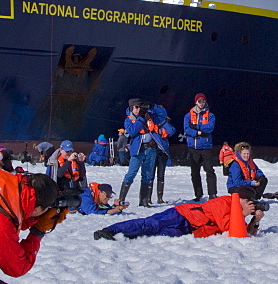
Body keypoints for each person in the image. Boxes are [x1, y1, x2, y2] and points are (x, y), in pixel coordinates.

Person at [94, 185, 264, 240]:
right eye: (248, 201)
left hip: (189, 228)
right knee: (150, 224)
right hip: (181, 215)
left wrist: (254, 221)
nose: (250, 205)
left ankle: (122, 236)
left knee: (155, 234)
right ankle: (110, 231)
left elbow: (239, 233)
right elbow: (227, 226)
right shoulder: (224, 202)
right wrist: (241, 214)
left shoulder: (237, 210)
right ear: (240, 199)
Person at [119, 98, 159, 207]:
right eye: (136, 107)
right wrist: (141, 119)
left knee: (147, 175)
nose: (138, 109)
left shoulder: (149, 116)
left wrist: (152, 106)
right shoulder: (128, 120)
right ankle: (121, 200)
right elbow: (132, 131)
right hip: (138, 150)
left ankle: (144, 201)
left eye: (140, 107)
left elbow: (161, 115)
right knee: (131, 173)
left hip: (150, 149)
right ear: (131, 108)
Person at [184, 93, 218, 201]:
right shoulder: (188, 115)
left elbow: (210, 128)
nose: (202, 103)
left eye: (203, 101)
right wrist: (198, 133)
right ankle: (198, 194)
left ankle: (212, 194)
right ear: (196, 102)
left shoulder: (210, 115)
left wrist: (197, 127)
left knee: (209, 170)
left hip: (206, 146)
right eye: (200, 101)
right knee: (195, 172)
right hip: (193, 147)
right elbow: (186, 129)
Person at [148, 103, 175, 204]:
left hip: (162, 151)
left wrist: (163, 122)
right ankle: (148, 198)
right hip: (153, 150)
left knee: (160, 175)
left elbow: (171, 131)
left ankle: (160, 198)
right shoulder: (150, 120)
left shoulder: (164, 123)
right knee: (150, 175)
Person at [49, 141, 86, 208]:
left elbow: (82, 175)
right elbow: (59, 174)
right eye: (67, 151)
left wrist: (81, 162)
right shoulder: (56, 162)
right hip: (63, 191)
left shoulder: (75, 161)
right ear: (61, 150)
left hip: (75, 190)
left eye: (71, 151)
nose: (69, 153)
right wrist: (68, 161)